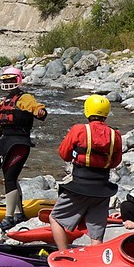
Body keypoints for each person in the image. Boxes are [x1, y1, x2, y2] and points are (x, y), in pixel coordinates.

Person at [49, 94, 124, 251]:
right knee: (96, 234)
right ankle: (94, 262)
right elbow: (116, 162)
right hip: (102, 189)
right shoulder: (114, 135)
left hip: (79, 187)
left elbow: (64, 154)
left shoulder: (79, 130)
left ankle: (63, 254)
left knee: (55, 218)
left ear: (87, 111)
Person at [0, 66, 48, 228]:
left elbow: (38, 108)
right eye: (6, 81)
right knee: (10, 176)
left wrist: (41, 112)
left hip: (20, 143)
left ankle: (8, 217)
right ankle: (19, 214)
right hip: (6, 141)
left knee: (10, 177)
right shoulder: (3, 103)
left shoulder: (25, 98)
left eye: (11, 80)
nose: (8, 83)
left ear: (17, 81)